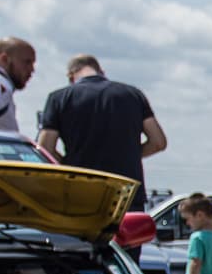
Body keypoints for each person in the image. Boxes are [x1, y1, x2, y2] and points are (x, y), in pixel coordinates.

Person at [35, 54, 167, 209]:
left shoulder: (59, 98)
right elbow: (158, 142)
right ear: (102, 72)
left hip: (81, 192)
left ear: (71, 76)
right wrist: (129, 155)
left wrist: (68, 163)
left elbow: (45, 148)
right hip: (126, 192)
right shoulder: (133, 94)